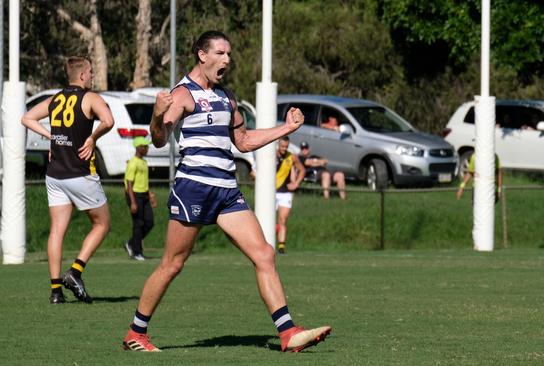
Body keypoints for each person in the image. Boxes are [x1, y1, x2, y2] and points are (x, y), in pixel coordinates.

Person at [122, 31, 331, 353]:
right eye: (220, 53)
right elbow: (160, 139)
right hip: (193, 188)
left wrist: (286, 129)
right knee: (172, 264)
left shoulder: (227, 97)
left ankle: (288, 333)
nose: (227, 60)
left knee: (264, 254)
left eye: (229, 54)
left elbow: (244, 141)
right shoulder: (182, 94)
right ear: (201, 55)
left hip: (227, 191)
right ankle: (136, 332)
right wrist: (156, 114)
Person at [21, 56, 114, 304]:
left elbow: (27, 118)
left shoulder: (56, 99)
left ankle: (55, 291)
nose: (93, 76)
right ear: (82, 76)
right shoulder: (90, 97)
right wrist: (93, 138)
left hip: (54, 175)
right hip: (80, 172)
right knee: (102, 224)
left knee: (57, 231)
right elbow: (109, 121)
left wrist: (50, 137)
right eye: (91, 72)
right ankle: (75, 271)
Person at [124, 136, 157, 261]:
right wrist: (132, 202)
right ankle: (137, 252)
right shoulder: (133, 163)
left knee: (149, 222)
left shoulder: (144, 162)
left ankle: (131, 243)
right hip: (134, 195)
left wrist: (150, 196)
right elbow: (129, 184)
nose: (147, 149)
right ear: (139, 148)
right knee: (138, 223)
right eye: (145, 147)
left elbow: (144, 182)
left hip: (144, 195)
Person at [275, 136, 305, 254]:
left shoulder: (291, 157)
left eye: (286, 147)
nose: (284, 148)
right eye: (282, 146)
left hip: (285, 193)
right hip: (270, 192)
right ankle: (266, 243)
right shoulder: (271, 155)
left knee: (283, 219)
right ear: (278, 144)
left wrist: (296, 183)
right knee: (267, 219)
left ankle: (281, 247)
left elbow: (302, 170)